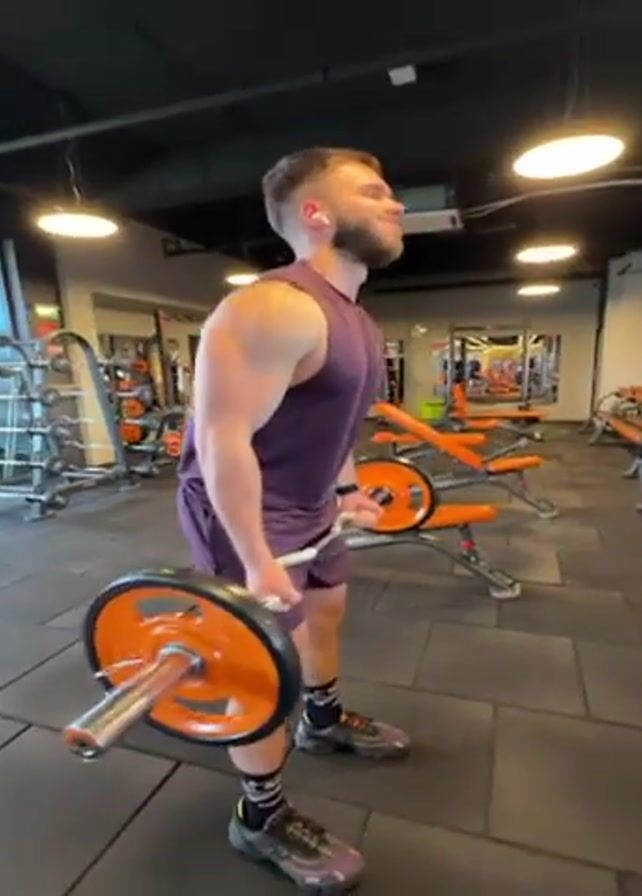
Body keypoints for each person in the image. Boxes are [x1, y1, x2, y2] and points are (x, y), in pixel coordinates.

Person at [177, 146, 407, 893]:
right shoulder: (273, 307)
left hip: (311, 502)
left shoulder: (356, 319)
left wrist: (347, 492)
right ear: (317, 213)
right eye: (373, 193)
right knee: (258, 665)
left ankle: (324, 718)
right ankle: (260, 814)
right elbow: (223, 440)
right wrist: (254, 557)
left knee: (327, 609)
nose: (396, 204)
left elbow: (334, 423)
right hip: (248, 507)